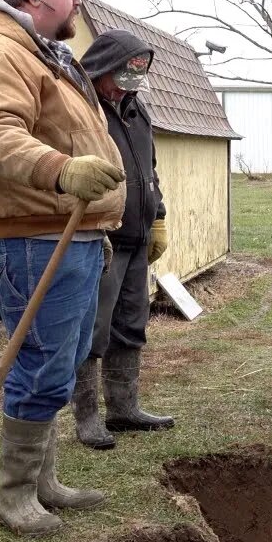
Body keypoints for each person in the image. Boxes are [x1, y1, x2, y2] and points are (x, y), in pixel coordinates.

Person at [0, 0, 126, 536]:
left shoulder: (40, 50)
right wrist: (61, 170)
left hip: (62, 232)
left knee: (64, 359)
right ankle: (16, 494)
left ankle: (43, 481)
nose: (78, 0)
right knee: (44, 362)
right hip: (29, 235)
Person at [72, 30, 175, 450]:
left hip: (137, 234)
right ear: (101, 71)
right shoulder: (84, 111)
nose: (127, 89)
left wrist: (159, 217)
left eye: (136, 80)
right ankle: (87, 417)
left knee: (131, 322)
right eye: (122, 79)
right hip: (102, 236)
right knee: (93, 328)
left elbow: (148, 170)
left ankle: (124, 408)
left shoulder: (137, 111)